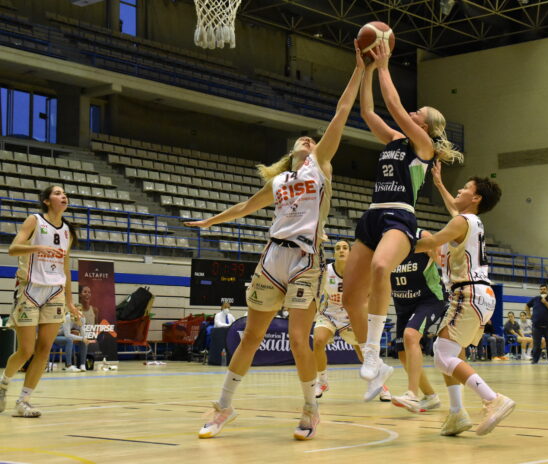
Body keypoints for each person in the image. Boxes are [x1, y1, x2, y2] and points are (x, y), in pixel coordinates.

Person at [185, 47, 364, 441]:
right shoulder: (280, 182)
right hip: (271, 256)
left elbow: (341, 112)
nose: (308, 140)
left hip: (305, 258)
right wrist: (210, 220)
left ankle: (310, 409)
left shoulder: (321, 168)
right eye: (303, 139)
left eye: (313, 140)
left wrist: (359, 68)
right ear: (291, 153)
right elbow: (245, 207)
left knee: (300, 339)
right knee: (251, 335)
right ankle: (223, 407)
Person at [342, 40, 464, 397]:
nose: (412, 114)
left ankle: (372, 353)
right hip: (371, 215)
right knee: (351, 299)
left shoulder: (422, 146)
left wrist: (383, 64)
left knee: (382, 267)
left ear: (427, 125)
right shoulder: (395, 140)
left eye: (419, 113)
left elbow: (393, 106)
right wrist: (363, 69)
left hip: (399, 216)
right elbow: (367, 112)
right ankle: (376, 365)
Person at [415, 173, 514, 437]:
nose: (458, 190)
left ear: (476, 197)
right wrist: (438, 183)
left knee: (442, 353)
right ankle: (457, 414)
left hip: (468, 293)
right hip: (478, 294)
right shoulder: (471, 222)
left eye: (465, 188)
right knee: (452, 354)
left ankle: (493, 399)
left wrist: (392, 244)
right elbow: (452, 209)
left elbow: (431, 241)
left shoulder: (462, 221)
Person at [0, 185, 80, 417]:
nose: (63, 195)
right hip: (30, 289)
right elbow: (13, 249)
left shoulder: (67, 231)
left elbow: (66, 267)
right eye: (57, 193)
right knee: (26, 350)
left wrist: (70, 301)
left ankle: (23, 401)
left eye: (64, 193)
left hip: (55, 291)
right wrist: (37, 247)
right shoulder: (34, 220)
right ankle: (3, 384)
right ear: (46, 201)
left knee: (44, 350)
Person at [312, 240, 390, 401]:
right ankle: (322, 381)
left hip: (351, 316)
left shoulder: (359, 272)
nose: (341, 250)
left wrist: (364, 320)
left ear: (350, 252)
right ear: (333, 253)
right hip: (329, 314)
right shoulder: (325, 272)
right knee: (318, 341)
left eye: (345, 248)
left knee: (363, 353)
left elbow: (368, 297)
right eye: (337, 248)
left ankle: (379, 384)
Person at [389, 229, 445, 413]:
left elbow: (442, 262)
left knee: (411, 335)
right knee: (403, 355)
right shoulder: (384, 242)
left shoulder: (422, 237)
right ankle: (430, 396)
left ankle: (412, 394)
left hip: (428, 300)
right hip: (402, 304)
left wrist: (434, 251)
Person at [525, 284, 548, 364]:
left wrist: (545, 302)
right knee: (536, 344)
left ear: (547, 290)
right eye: (541, 289)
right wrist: (528, 314)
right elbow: (527, 306)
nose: (542, 290)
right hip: (537, 326)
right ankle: (535, 360)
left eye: (544, 289)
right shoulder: (535, 299)